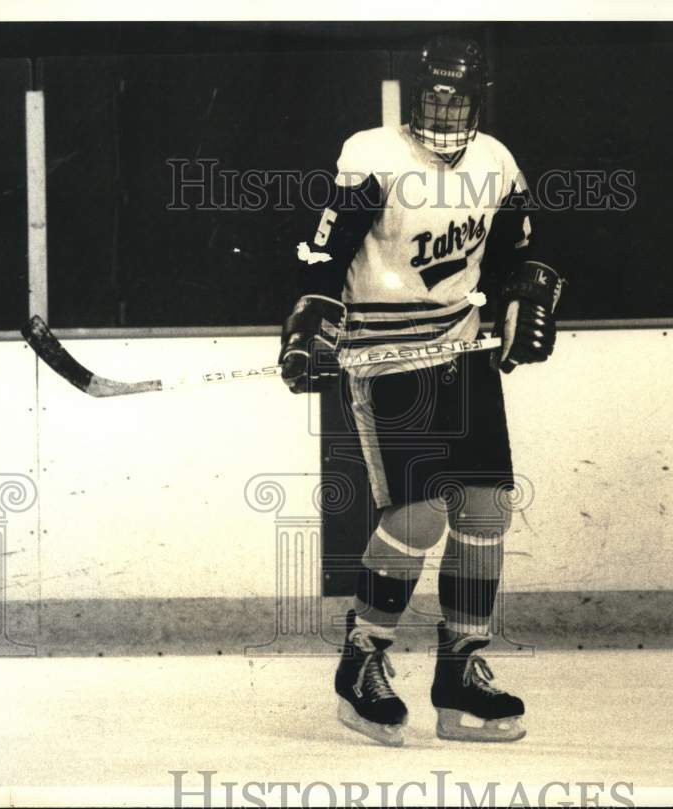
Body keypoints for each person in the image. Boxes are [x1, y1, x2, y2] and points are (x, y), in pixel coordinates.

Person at [278, 35, 562, 746]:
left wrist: (525, 298)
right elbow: (326, 252)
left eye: (457, 98)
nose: (444, 109)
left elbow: (519, 254)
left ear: (476, 100)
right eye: (433, 96)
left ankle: (460, 670)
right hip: (386, 354)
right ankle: (363, 659)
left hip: (461, 349)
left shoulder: (496, 162)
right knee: (419, 516)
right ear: (413, 96)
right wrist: (309, 325)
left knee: (488, 510)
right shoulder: (373, 154)